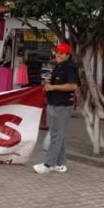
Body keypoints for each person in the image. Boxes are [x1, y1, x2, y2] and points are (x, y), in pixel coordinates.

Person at [34, 43, 79, 175]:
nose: (59, 55)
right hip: (54, 103)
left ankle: (48, 164)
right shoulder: (59, 66)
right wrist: (49, 83)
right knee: (59, 135)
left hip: (62, 105)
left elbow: (73, 85)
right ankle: (60, 164)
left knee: (56, 136)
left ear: (68, 55)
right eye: (57, 52)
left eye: (62, 53)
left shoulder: (70, 67)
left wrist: (53, 87)